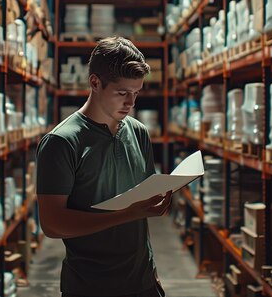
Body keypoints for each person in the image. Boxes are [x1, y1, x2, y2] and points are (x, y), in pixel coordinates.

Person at [36, 36, 171, 297]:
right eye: (122, 93)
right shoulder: (61, 142)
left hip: (142, 282)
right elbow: (52, 224)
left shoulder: (139, 132)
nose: (130, 103)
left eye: (136, 93)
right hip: (90, 286)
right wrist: (127, 214)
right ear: (95, 83)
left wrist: (152, 271)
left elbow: (141, 209)